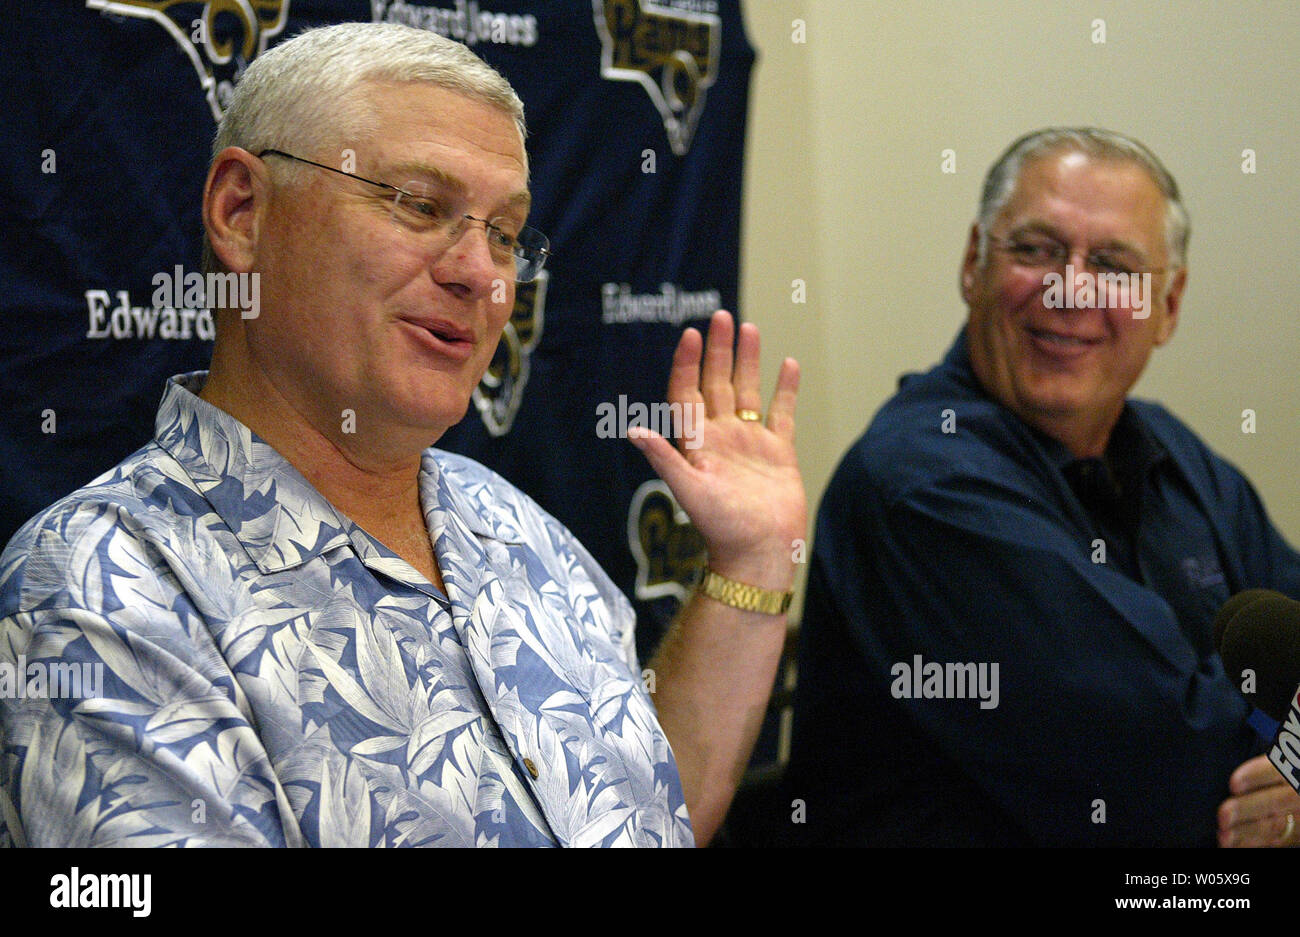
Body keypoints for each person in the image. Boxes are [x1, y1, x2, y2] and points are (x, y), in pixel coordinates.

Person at [0, 23, 804, 848]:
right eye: (420, 205)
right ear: (241, 213)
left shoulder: (521, 528)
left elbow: (645, 817)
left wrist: (749, 561)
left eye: (503, 233)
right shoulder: (102, 589)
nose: (480, 274)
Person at [786, 127, 1300, 847]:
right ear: (973, 264)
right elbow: (1170, 782)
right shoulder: (917, 483)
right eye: (1036, 250)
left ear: (1170, 305)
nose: (1069, 288)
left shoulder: (1175, 456)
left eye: (1115, 264)